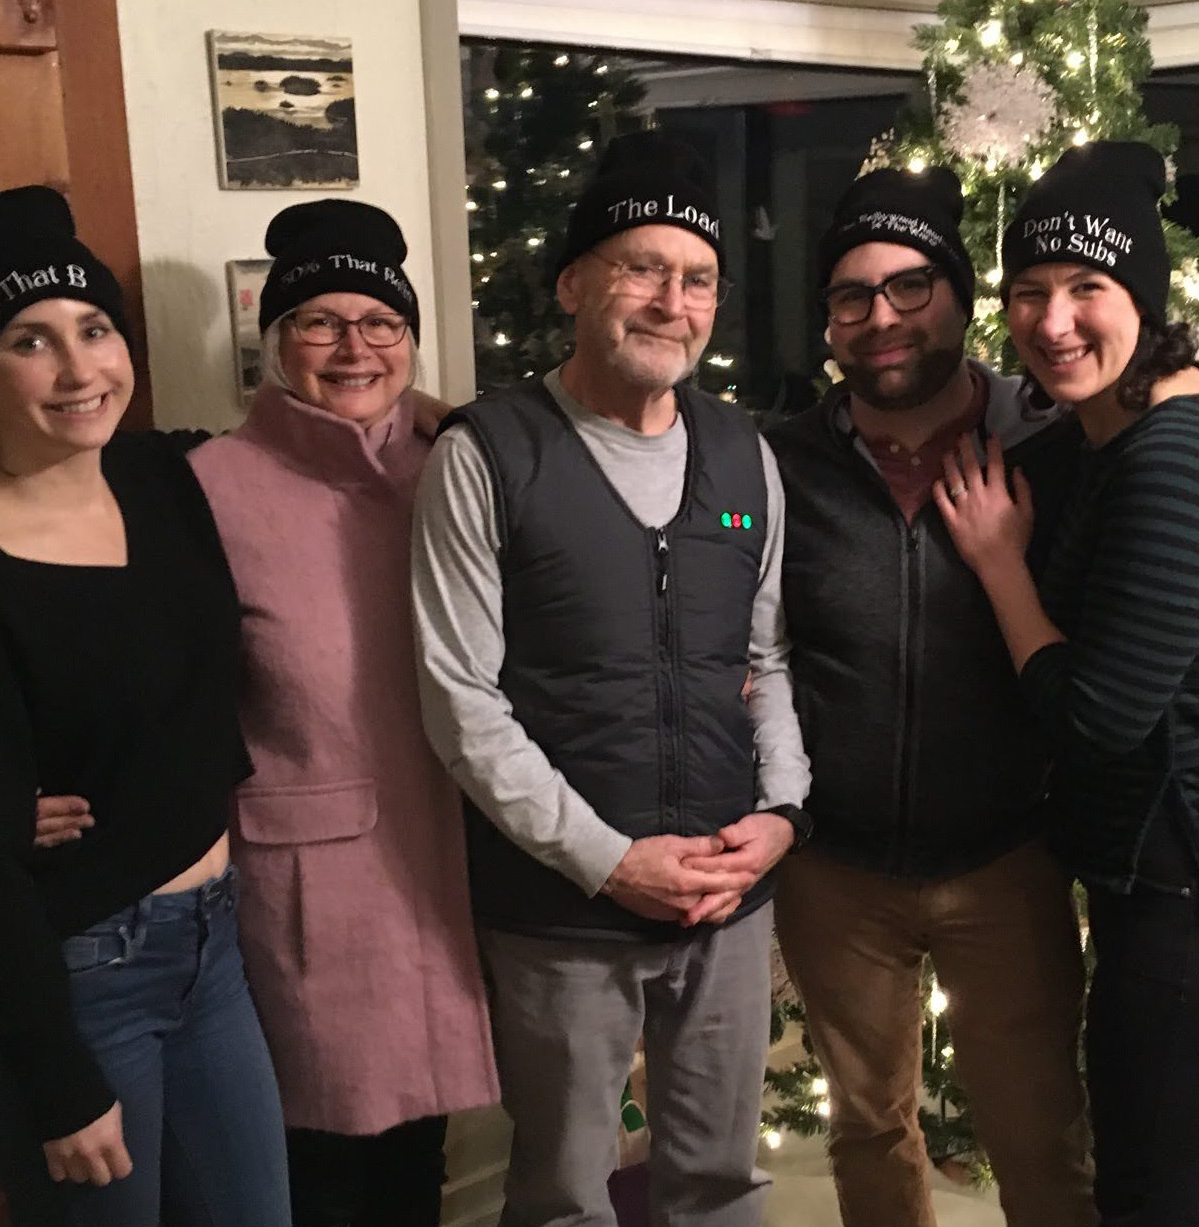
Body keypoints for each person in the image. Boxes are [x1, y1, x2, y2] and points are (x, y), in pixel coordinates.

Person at [411, 130, 812, 1227]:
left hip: (730, 899)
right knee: (559, 1194)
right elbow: (461, 701)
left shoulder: (745, 456)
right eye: (642, 268)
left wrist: (781, 813)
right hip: (561, 914)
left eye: (698, 280)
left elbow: (763, 662)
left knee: (722, 1183)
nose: (671, 301)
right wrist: (608, 861)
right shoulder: (489, 453)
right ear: (576, 281)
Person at [764, 166, 1097, 1227]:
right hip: (838, 873)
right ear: (828, 323)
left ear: (958, 299)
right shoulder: (778, 465)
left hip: (1006, 859)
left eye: (911, 287)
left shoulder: (1051, 445)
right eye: (852, 297)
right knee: (869, 1130)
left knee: (1041, 1135)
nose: (882, 318)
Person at [0, 185, 290, 1226]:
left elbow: (303, 440)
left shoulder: (161, 474)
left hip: (213, 950)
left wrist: (442, 418)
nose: (80, 370)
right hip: (76, 976)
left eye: (95, 329)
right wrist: (57, 1083)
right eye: (30, 340)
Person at [186, 198, 499, 1227]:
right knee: (313, 1173)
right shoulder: (208, 489)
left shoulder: (458, 467)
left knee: (418, 1163)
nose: (354, 346)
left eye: (381, 322)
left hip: (450, 873)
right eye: (320, 321)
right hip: (309, 898)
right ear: (277, 343)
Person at [936, 140, 1199, 1227]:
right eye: (1029, 291)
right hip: (1146, 882)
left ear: (1143, 297)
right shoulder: (1100, 440)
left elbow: (1098, 719)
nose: (1053, 323)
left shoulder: (1170, 454)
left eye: (1088, 288)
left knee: (1151, 1184)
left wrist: (998, 567)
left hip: (1180, 886)